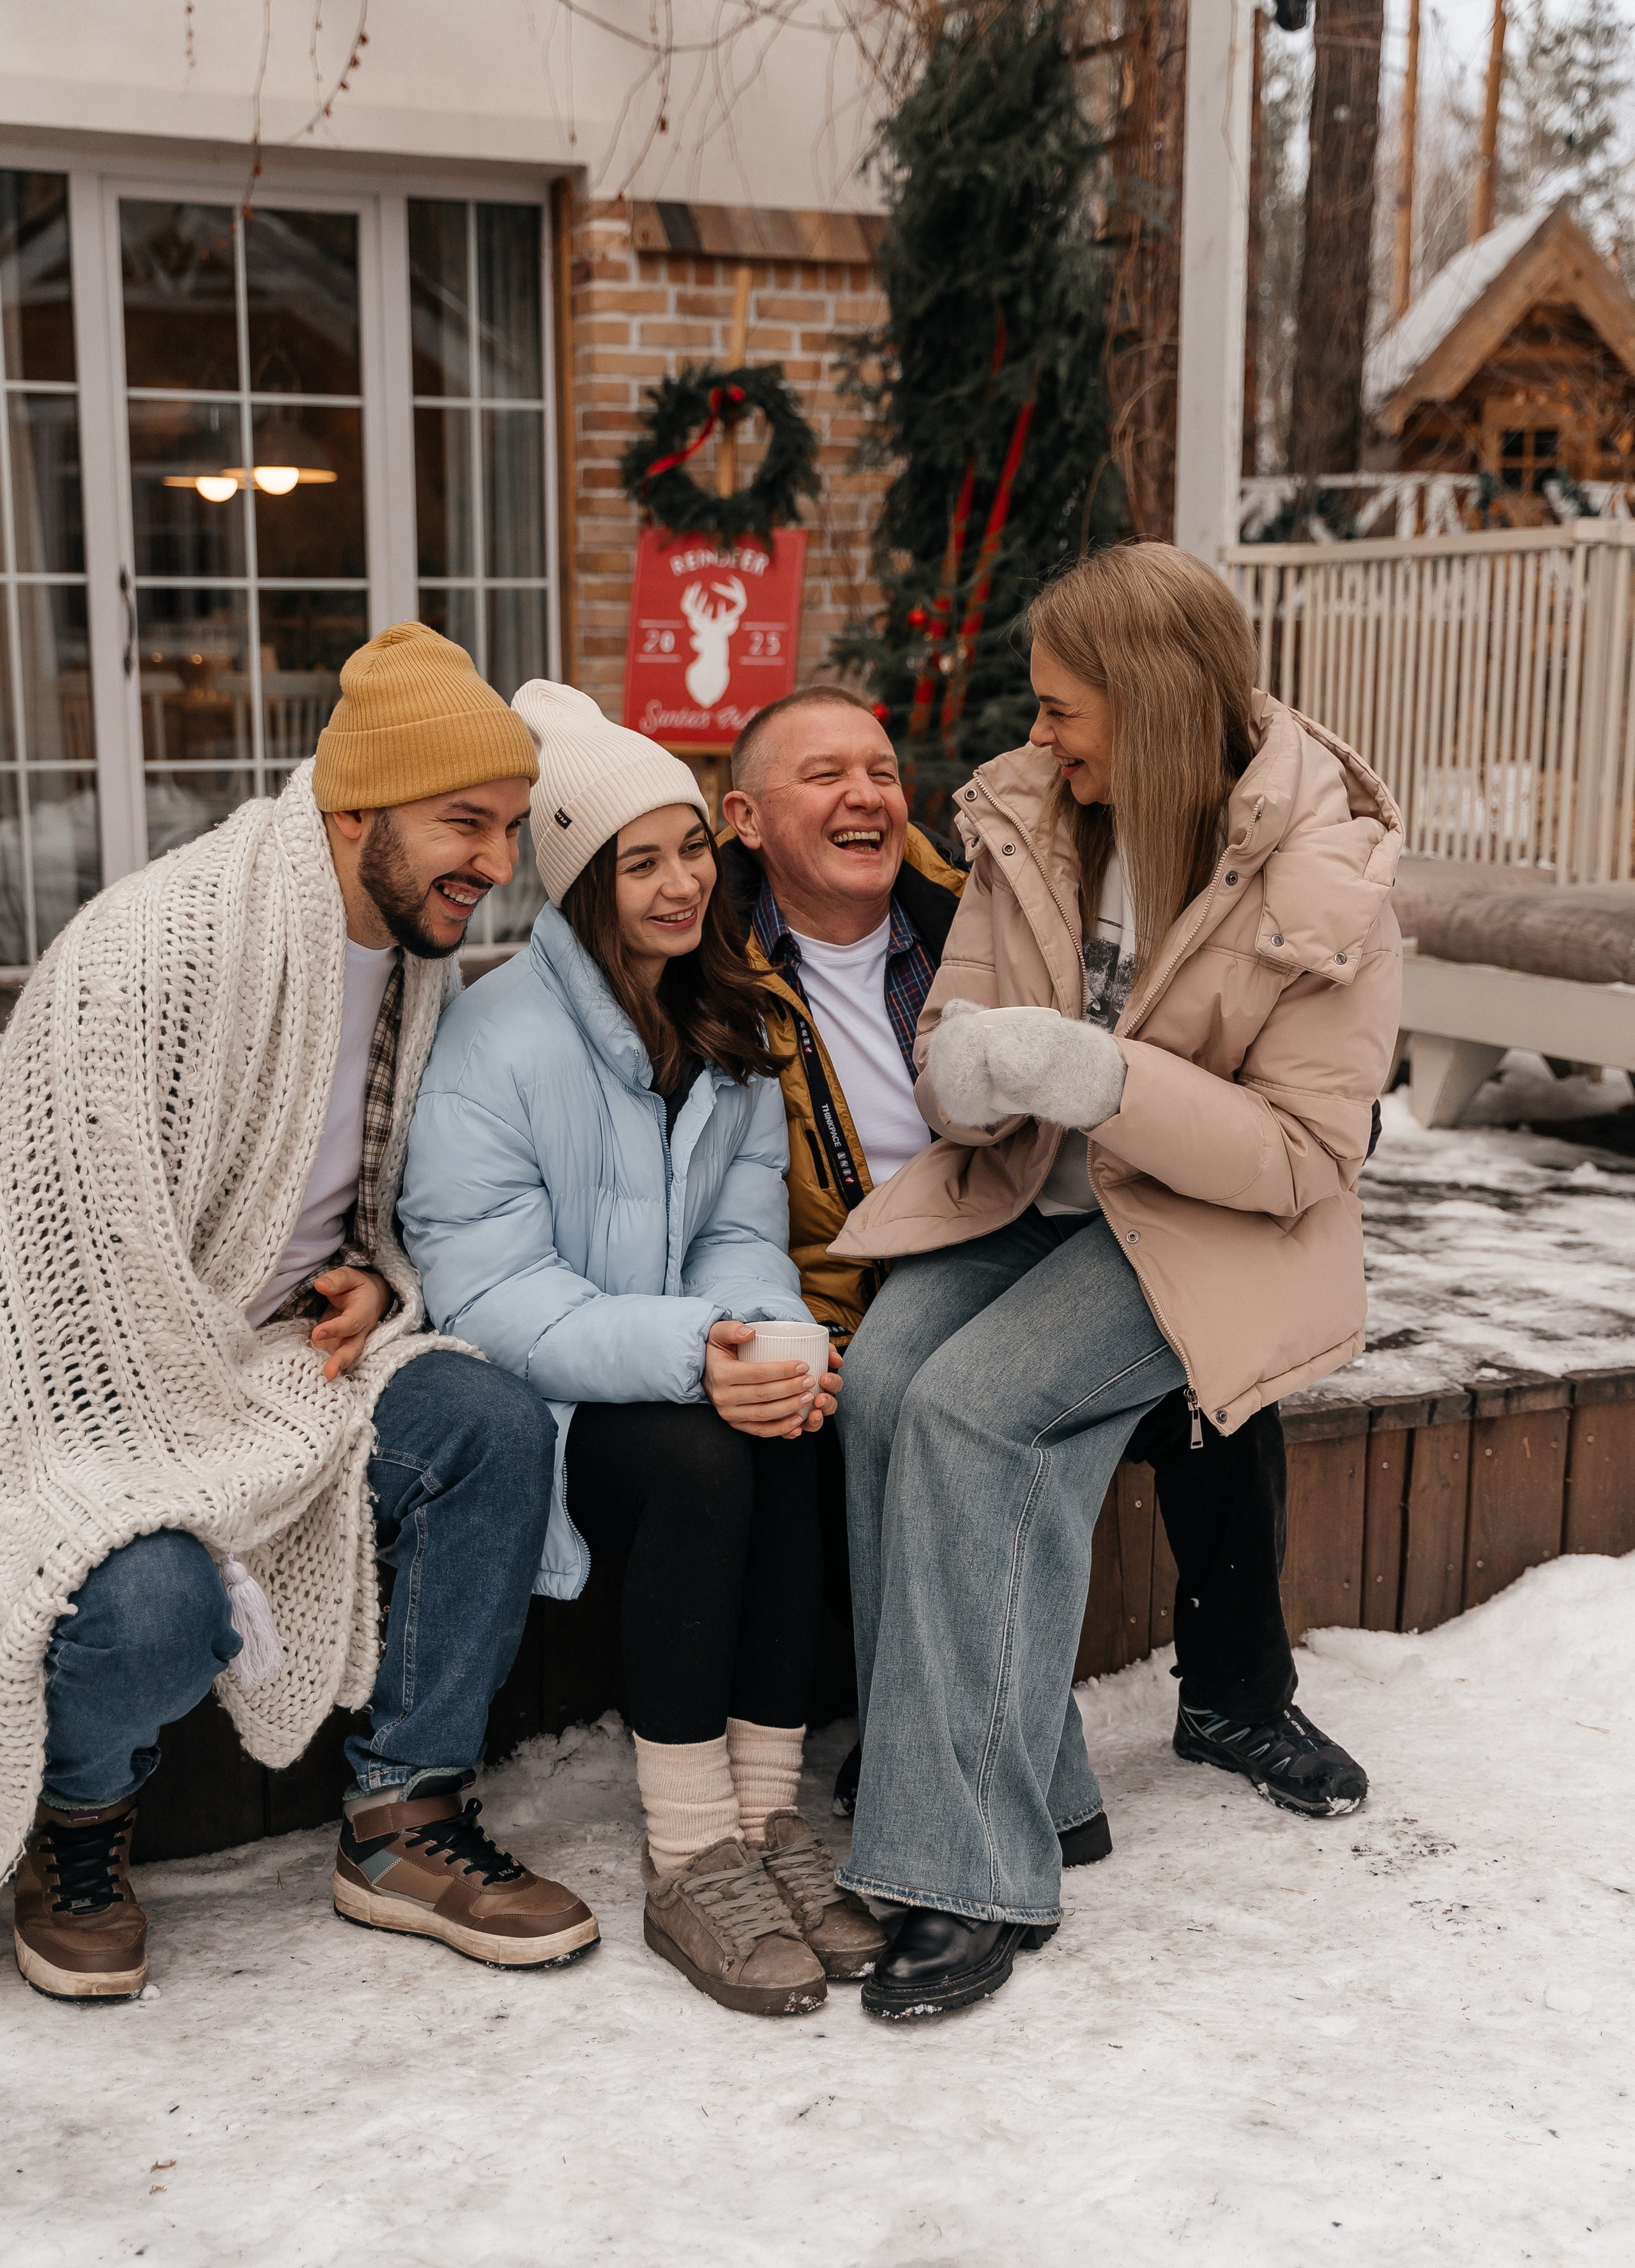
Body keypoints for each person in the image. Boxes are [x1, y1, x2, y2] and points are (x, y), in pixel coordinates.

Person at [825, 543, 1403, 2020]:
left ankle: (966, 1869)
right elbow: (957, 1032)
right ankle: (1020, 1782)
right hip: (1033, 1197)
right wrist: (965, 1079)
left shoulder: (1322, 876)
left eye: (1062, 709)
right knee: (882, 1381)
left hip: (1211, 1230)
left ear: (1147, 707)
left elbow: (1301, 1155)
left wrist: (1098, 1076)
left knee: (976, 1414)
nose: (1038, 735)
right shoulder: (1035, 815)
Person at [2, 624, 599, 2003]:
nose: (497, 863)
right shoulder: (145, 957)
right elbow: (56, 1275)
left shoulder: (414, 956)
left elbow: (386, 1196)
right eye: (465, 822)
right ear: (353, 813)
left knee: (493, 1427)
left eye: (511, 828)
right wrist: (210, 1450)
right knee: (148, 1603)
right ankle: (78, 1828)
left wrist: (382, 1277)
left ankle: (403, 1816)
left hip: (298, 1361)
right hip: (117, 1398)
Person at [716, 683, 1337, 1861]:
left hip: (1003, 1233)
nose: (867, 797)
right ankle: (948, 1744)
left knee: (1215, 1390)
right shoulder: (710, 972)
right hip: (844, 1289)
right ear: (744, 819)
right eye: (825, 775)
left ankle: (1236, 1698)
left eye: (882, 772)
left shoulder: (970, 899)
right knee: (899, 1400)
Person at [400, 682, 882, 2018]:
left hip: (679, 1362)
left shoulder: (726, 1019)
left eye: (690, 850)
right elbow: (491, 1294)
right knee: (703, 1460)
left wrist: (768, 1343)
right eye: (639, 863)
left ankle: (769, 1817)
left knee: (793, 1428)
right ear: (580, 883)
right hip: (548, 1406)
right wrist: (698, 1352)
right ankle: (691, 1854)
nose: (680, 885)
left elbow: (741, 1235)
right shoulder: (495, 1038)